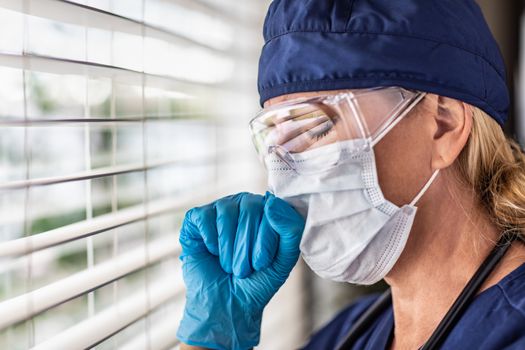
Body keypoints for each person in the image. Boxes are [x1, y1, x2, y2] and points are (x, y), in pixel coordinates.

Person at [177, 1, 525, 349]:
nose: (282, 175)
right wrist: (214, 334)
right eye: (273, 139)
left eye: (314, 127)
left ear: (443, 125)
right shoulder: (350, 332)